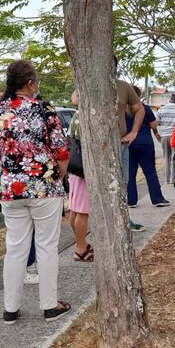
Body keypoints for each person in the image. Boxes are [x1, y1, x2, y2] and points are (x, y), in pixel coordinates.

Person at [0, 60, 71, 324]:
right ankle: (49, 306)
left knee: (15, 248)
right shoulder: (43, 109)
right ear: (31, 82)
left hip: (12, 188)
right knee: (46, 246)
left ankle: (10, 309)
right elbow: (61, 149)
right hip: (44, 186)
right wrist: (60, 174)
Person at [114, 57, 146, 232]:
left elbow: (139, 109)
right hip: (97, 148)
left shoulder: (123, 86)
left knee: (123, 183)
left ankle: (125, 220)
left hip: (121, 144)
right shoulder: (89, 83)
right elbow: (75, 99)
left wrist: (133, 132)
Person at [126, 86, 169, 207]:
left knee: (130, 173)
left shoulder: (122, 110)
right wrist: (155, 133)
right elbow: (153, 124)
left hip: (128, 144)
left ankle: (131, 200)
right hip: (145, 143)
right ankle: (157, 199)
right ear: (138, 96)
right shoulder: (145, 109)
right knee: (150, 171)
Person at [67, 92, 93, 262]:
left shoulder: (76, 115)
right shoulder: (87, 116)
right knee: (83, 211)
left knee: (75, 209)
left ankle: (80, 242)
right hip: (85, 168)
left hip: (74, 166)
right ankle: (80, 248)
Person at [156, 94, 175, 184]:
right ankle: (174, 178)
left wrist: (157, 133)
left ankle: (167, 180)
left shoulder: (162, 109)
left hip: (164, 136)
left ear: (170, 100)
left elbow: (156, 122)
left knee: (166, 158)